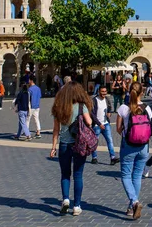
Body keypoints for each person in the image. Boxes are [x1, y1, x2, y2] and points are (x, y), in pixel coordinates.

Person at [50, 82, 93, 216]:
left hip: (64, 144)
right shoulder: (82, 106)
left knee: (65, 174)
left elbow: (56, 130)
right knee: (78, 175)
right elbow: (90, 122)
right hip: (79, 143)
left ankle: (66, 200)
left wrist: (53, 147)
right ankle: (77, 206)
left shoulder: (59, 107)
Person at [117, 82, 152, 220]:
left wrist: (128, 135)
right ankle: (131, 207)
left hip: (128, 146)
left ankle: (134, 202)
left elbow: (118, 129)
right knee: (137, 176)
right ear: (142, 93)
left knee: (126, 176)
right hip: (144, 147)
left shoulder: (123, 108)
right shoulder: (147, 108)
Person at [90, 86, 119, 165]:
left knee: (110, 141)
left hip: (106, 123)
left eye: (105, 91)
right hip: (96, 125)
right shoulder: (94, 100)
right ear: (99, 92)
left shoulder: (106, 99)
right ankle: (94, 157)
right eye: (102, 91)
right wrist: (99, 124)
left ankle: (112, 157)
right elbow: (92, 114)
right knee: (95, 142)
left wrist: (109, 112)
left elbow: (109, 107)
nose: (104, 93)